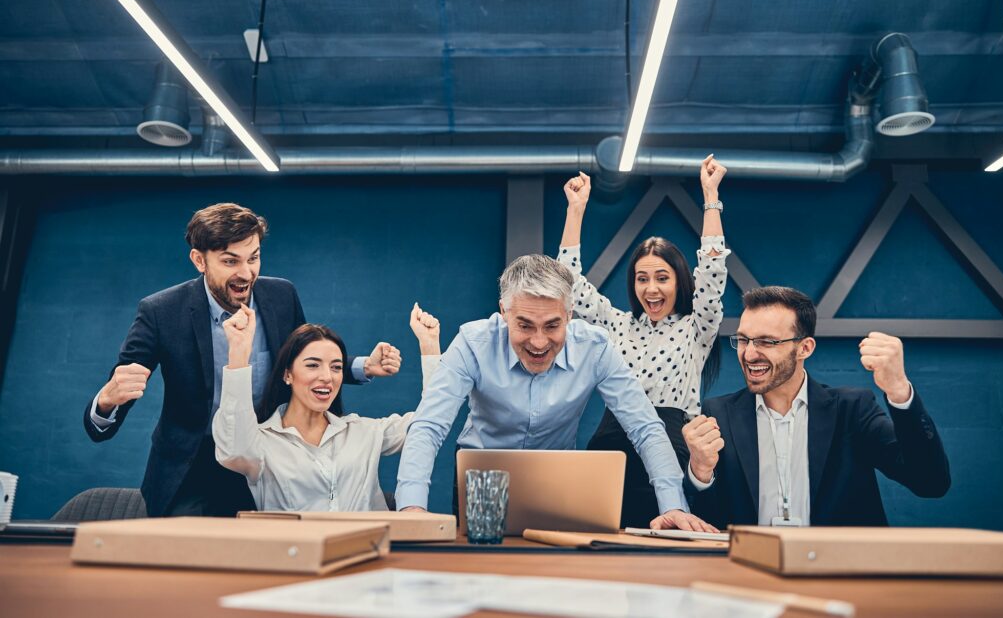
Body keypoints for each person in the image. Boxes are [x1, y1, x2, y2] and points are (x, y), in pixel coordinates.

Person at [82, 203, 402, 517]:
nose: (246, 273)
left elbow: (302, 358)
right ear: (199, 260)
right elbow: (118, 391)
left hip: (264, 454)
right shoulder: (161, 311)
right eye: (230, 261)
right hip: (194, 465)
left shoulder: (281, 296)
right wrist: (108, 400)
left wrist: (361, 366)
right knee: (192, 556)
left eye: (254, 258)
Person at [395, 254, 717, 532]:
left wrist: (673, 506)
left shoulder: (595, 347)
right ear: (504, 313)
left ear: (569, 315)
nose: (538, 342)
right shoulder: (472, 342)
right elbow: (429, 425)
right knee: (483, 573)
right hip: (482, 480)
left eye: (552, 326)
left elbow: (644, 428)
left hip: (555, 482)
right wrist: (411, 508)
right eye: (524, 325)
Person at [666, 286, 951, 530]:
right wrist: (699, 472)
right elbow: (703, 521)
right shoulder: (719, 414)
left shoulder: (852, 410)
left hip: (836, 577)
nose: (750, 353)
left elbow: (930, 482)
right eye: (743, 340)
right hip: (748, 578)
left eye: (767, 341)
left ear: (805, 348)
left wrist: (899, 390)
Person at [557, 156, 728, 526]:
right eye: (642, 278)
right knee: (603, 542)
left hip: (670, 444)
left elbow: (713, 274)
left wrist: (710, 197)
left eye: (662, 277)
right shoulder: (617, 325)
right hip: (611, 445)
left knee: (667, 546)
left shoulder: (697, 327)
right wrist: (575, 210)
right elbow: (567, 284)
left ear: (680, 280)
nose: (651, 288)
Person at [213, 304, 441, 511]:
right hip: (296, 554)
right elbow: (232, 449)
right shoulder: (261, 443)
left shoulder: (362, 432)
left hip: (366, 552)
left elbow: (428, 425)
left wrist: (429, 346)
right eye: (313, 365)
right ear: (287, 374)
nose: (326, 377)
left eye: (336, 367)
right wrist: (239, 355)